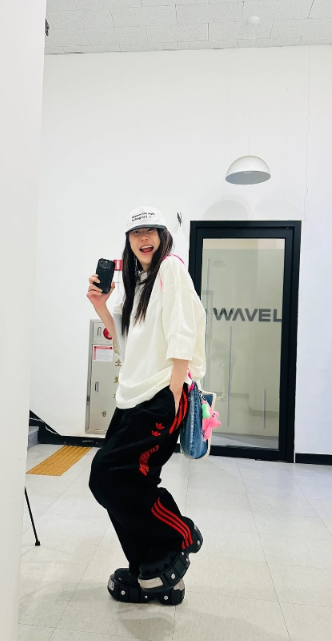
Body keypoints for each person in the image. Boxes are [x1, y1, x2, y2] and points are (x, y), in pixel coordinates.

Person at [87, 206, 206, 606]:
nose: (144, 238)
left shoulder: (170, 268)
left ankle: (180, 535)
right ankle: (150, 569)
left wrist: (173, 395)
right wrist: (101, 305)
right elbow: (127, 342)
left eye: (151, 230)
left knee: (107, 474)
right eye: (136, 232)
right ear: (128, 241)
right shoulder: (136, 282)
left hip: (161, 393)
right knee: (127, 482)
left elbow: (183, 331)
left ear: (162, 236)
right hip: (132, 397)